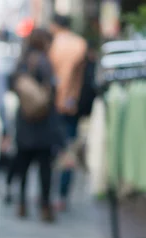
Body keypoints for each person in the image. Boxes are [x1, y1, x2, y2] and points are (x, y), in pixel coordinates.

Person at [9, 28, 64, 222]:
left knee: (23, 166)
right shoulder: (45, 62)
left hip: (25, 122)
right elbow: (53, 91)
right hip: (43, 123)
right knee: (44, 168)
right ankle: (45, 207)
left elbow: (12, 85)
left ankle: (22, 204)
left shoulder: (22, 61)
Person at [48, 13, 87, 211]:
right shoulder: (80, 44)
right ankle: (62, 195)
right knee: (68, 149)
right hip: (71, 105)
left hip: (50, 106)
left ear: (55, 25)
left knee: (48, 151)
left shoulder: (51, 44)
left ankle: (46, 195)